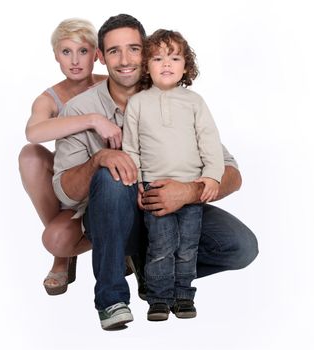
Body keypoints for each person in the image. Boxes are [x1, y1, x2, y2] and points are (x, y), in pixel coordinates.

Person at [53, 14, 258, 331]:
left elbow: (231, 171)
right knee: (113, 171)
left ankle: (155, 274)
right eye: (113, 51)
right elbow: (64, 192)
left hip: (175, 210)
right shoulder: (80, 109)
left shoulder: (180, 99)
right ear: (101, 57)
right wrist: (99, 159)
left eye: (134, 49)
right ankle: (112, 300)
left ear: (146, 53)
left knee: (241, 246)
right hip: (113, 221)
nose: (125, 60)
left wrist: (187, 191)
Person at [122, 28, 224, 321]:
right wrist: (137, 185)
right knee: (161, 246)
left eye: (174, 57)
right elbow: (131, 148)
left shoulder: (195, 103)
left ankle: (183, 296)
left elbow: (209, 141)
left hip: (192, 187)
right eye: (157, 58)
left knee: (187, 246)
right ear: (146, 66)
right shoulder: (138, 103)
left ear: (185, 66)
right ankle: (158, 298)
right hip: (153, 187)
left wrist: (213, 177)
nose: (166, 64)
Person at [18, 18, 122, 296]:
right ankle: (64, 254)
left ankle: (123, 243)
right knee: (30, 156)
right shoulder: (49, 99)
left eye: (83, 51)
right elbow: (34, 132)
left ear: (97, 55)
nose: (75, 60)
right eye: (66, 52)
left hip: (113, 184)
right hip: (73, 189)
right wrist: (92, 120)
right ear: (56, 56)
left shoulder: (112, 83)